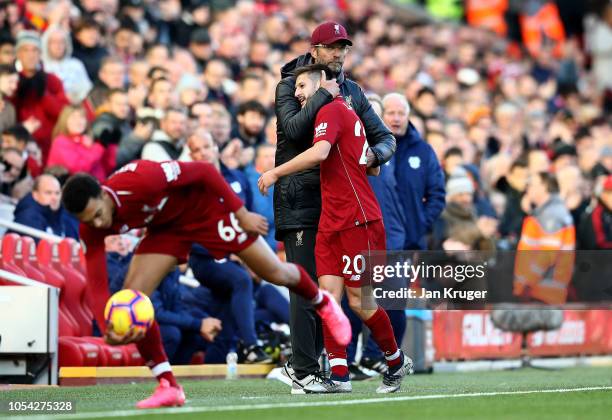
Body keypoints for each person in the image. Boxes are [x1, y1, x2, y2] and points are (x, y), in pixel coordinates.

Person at [61, 159, 350, 408]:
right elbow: (97, 282)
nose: (99, 224)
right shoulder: (91, 228)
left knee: (274, 272)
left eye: (98, 214)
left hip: (205, 211)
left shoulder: (141, 180)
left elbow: (203, 171)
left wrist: (241, 213)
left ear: (102, 192)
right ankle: (168, 386)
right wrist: (106, 324)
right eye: (90, 220)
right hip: (166, 229)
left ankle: (322, 302)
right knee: (132, 300)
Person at [260, 64, 412, 394]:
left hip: (357, 219)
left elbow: (321, 152)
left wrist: (275, 173)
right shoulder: (339, 113)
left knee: (360, 301)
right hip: (332, 219)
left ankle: (396, 361)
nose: (296, 92)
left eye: (301, 86)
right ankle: (340, 376)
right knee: (329, 300)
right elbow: (366, 167)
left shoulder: (332, 109)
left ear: (320, 85)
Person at [382, 93, 445, 250]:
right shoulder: (371, 148)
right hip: (376, 239)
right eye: (391, 113)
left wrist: (420, 222)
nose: (396, 118)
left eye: (401, 113)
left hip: (411, 243)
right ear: (381, 115)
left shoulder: (423, 151)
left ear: (408, 116)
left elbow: (437, 194)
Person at [13, 174, 78, 240]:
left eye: (57, 193)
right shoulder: (28, 217)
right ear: (35, 195)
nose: (54, 197)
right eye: (48, 193)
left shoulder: (65, 214)